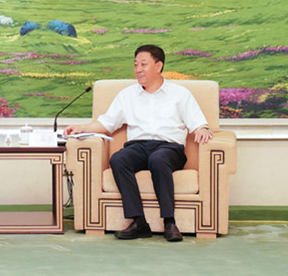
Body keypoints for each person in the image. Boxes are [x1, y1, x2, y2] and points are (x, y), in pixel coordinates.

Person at [64, 45, 212, 242]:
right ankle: (139, 221)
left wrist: (202, 129)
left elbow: (198, 122)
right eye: (135, 65)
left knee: (158, 160)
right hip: (138, 147)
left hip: (169, 148)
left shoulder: (179, 94)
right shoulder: (127, 95)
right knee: (119, 159)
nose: (138, 69)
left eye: (143, 64)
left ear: (158, 66)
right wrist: (81, 128)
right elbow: (106, 123)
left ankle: (169, 222)